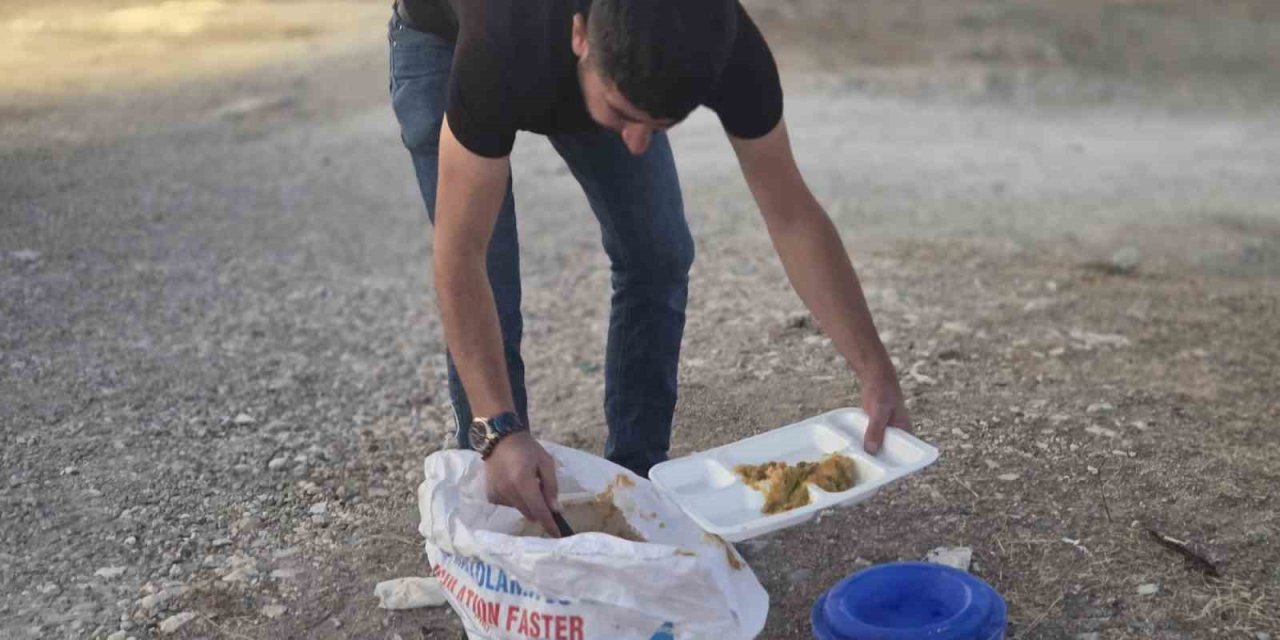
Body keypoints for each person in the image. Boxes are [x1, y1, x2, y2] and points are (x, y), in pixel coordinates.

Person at [388, 0, 911, 536]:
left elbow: (793, 215)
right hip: (445, 39)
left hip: (586, 62)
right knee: (491, 287)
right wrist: (497, 430)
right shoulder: (504, 37)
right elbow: (461, 254)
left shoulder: (719, 37)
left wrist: (875, 370)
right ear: (581, 38)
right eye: (624, 116)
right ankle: (499, 516)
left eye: (661, 125)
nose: (638, 142)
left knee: (658, 253)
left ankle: (634, 488)